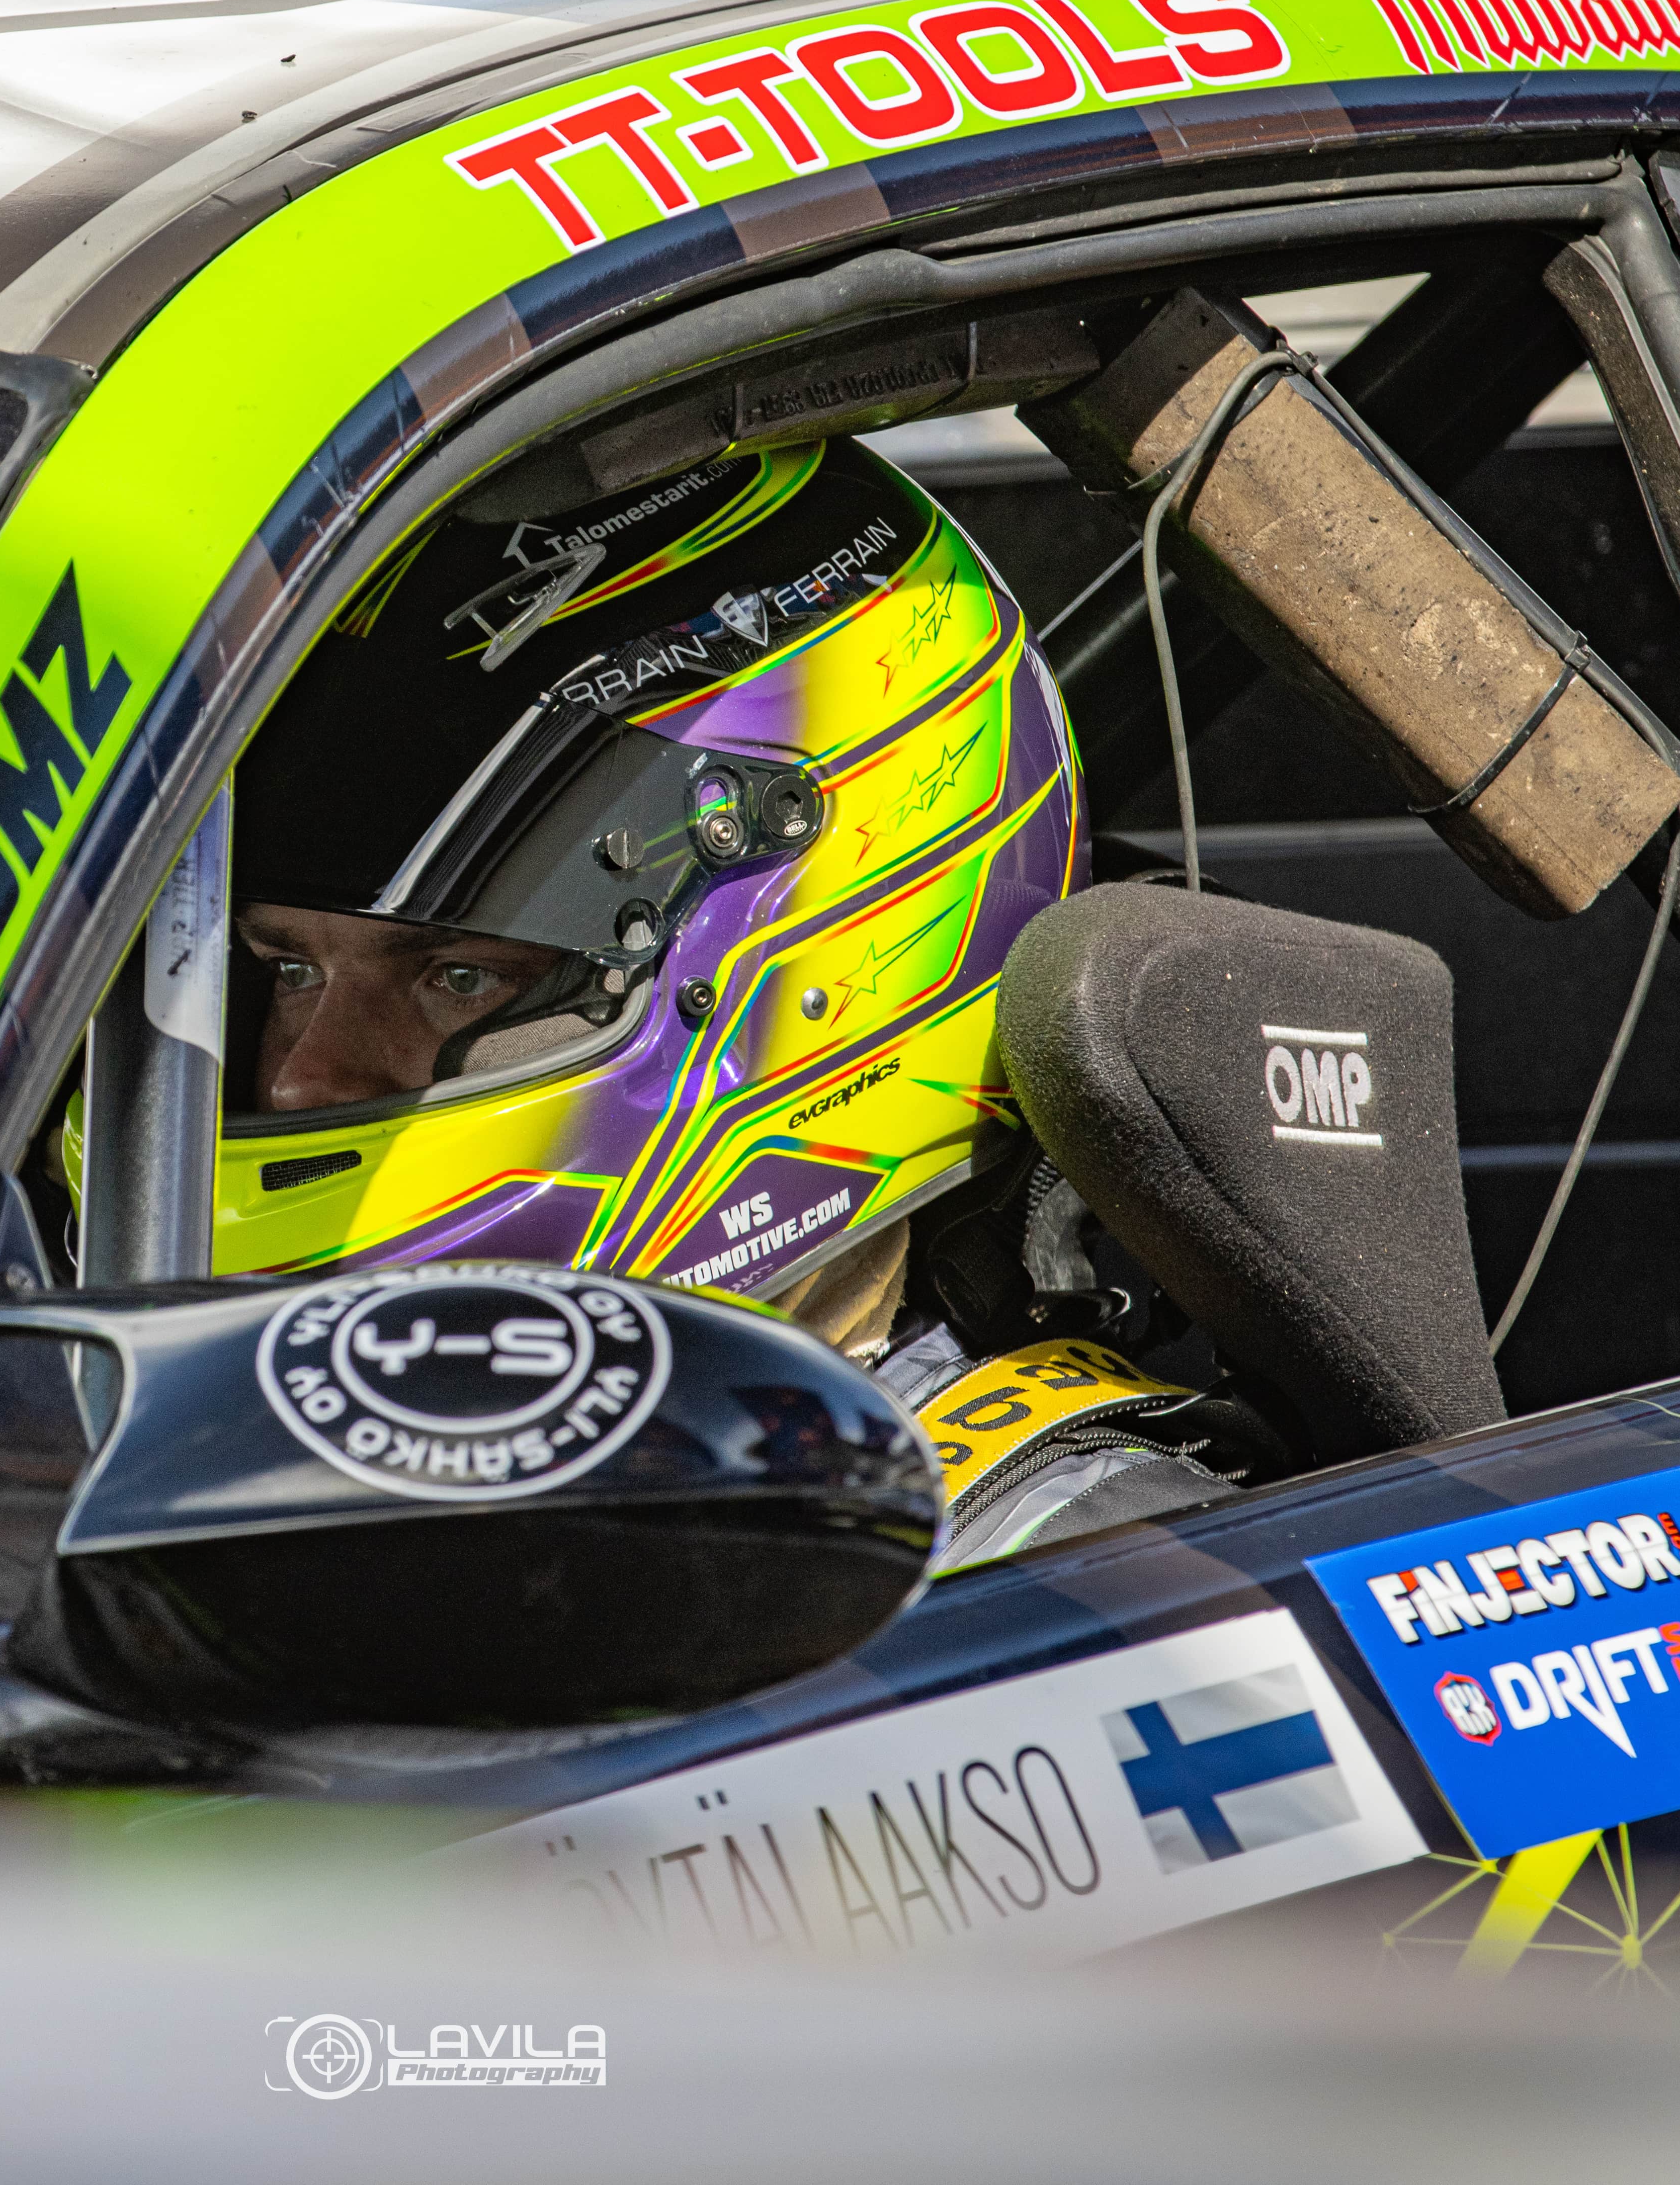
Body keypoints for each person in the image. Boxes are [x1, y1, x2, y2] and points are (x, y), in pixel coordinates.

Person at [214, 436, 1233, 1563]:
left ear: (834, 969)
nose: (302, 1075)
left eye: (459, 978)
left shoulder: (1066, 1574)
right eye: (289, 970)